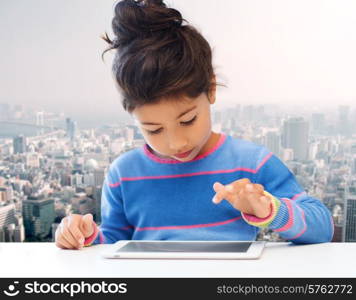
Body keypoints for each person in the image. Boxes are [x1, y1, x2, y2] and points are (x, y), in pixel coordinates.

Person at [55, 0, 333, 250]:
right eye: (153, 129)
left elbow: (322, 227)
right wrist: (85, 234)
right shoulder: (123, 174)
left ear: (211, 89)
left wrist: (269, 209)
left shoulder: (252, 164)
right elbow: (113, 242)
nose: (176, 143)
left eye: (187, 120)